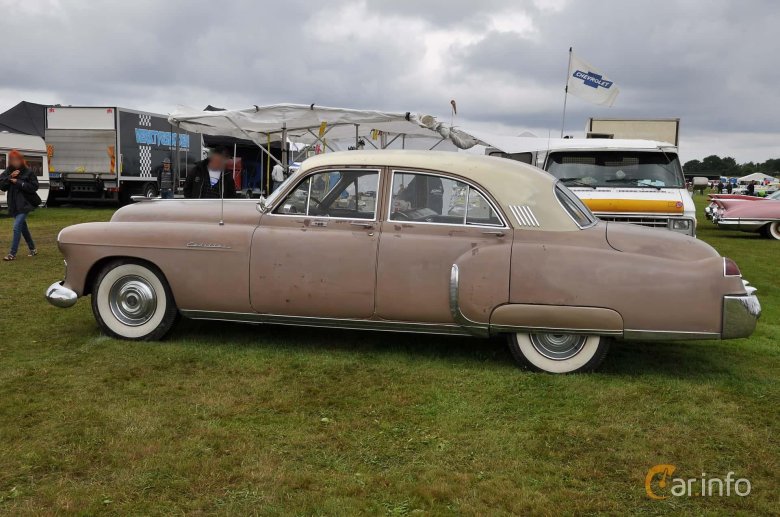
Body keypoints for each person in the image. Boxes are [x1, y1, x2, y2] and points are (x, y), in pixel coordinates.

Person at [0, 150, 40, 261]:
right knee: (23, 227)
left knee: (16, 226)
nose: (14, 161)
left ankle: (12, 254)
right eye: (12, 159)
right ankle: (33, 249)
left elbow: (34, 187)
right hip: (13, 204)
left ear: (20, 160)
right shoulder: (8, 171)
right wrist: (9, 177)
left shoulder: (28, 172)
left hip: (25, 204)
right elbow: (2, 185)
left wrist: (18, 182)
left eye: (16, 159)